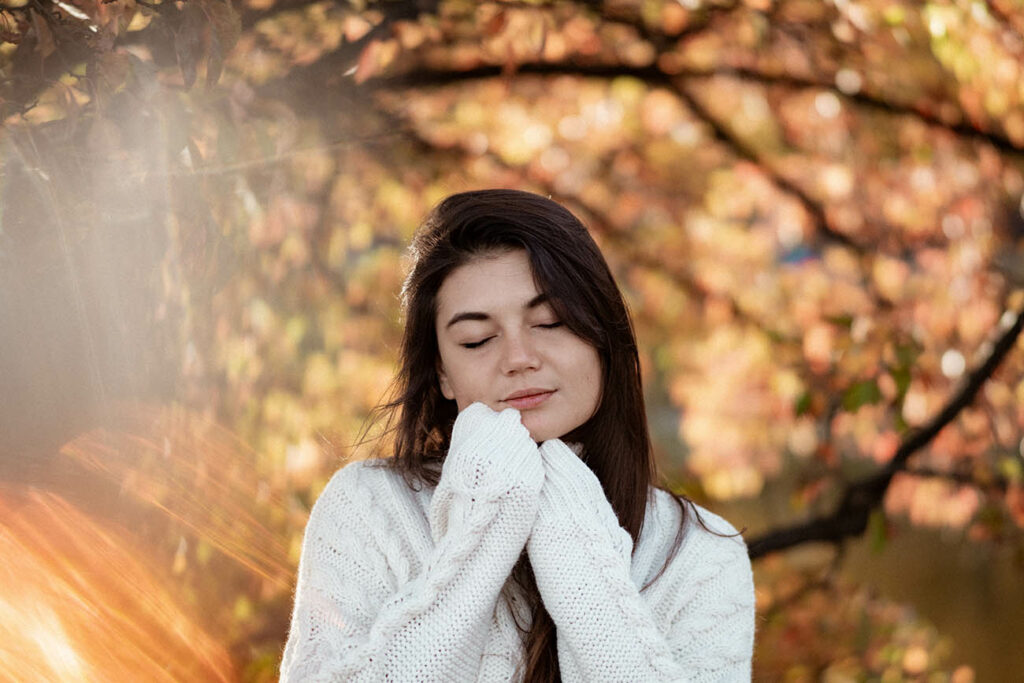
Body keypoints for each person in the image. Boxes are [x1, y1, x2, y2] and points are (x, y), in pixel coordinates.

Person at [279, 189, 755, 681]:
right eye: (477, 340)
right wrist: (480, 531)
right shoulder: (368, 507)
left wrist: (580, 565)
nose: (519, 358)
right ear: (441, 372)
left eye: (550, 322)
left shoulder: (701, 552)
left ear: (603, 338)